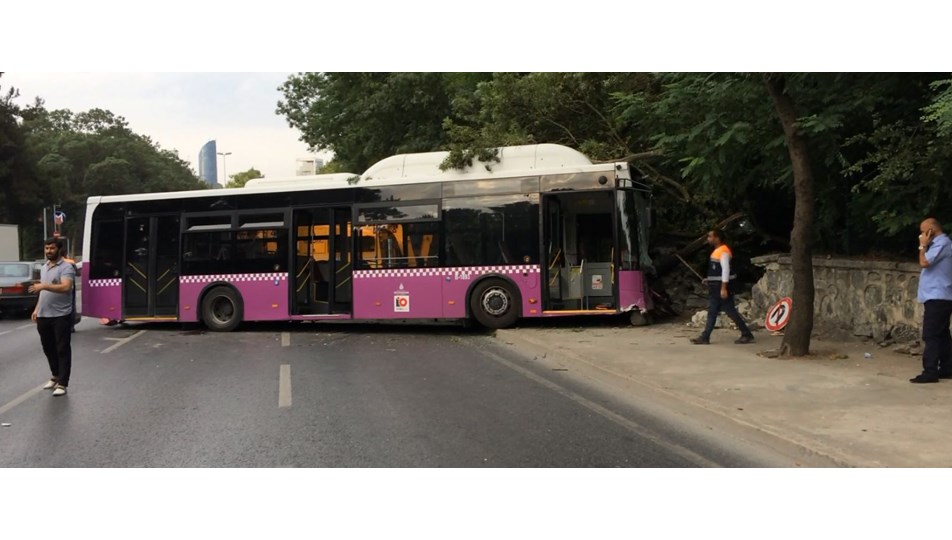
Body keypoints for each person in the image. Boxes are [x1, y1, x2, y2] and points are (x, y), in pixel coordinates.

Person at [690, 229, 755, 345]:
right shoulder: (718, 251)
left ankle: (746, 334)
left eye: (710, 237)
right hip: (716, 286)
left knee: (727, 311)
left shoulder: (723, 252)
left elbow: (725, 271)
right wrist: (709, 280)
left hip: (720, 287)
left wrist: (723, 288)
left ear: (717, 238)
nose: (708, 239)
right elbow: (718, 272)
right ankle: (705, 337)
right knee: (714, 311)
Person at [28, 237, 76, 397]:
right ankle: (55, 375)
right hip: (43, 315)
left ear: (59, 249)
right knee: (48, 348)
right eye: (46, 248)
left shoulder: (66, 267)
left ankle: (63, 383)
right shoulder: (44, 267)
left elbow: (66, 287)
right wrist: (37, 308)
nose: (49, 251)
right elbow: (42, 292)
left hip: (60, 315)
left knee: (62, 348)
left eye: (52, 248)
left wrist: (45, 286)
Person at [910, 218, 952, 383]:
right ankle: (948, 367)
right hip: (939, 295)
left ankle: (930, 371)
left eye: (923, 231)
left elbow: (924, 262)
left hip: (939, 296)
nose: (921, 235)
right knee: (942, 334)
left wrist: (922, 246)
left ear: (931, 231)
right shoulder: (941, 244)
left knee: (931, 334)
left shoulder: (942, 244)